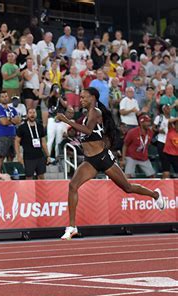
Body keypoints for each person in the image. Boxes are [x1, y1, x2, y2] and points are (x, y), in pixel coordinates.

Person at [55, 87, 164, 240]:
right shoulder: (86, 115)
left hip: (103, 158)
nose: (81, 100)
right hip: (90, 161)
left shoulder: (96, 112)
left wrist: (67, 120)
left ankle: (155, 194)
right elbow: (86, 134)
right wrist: (71, 132)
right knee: (72, 185)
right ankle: (72, 226)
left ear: (93, 98)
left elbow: (87, 131)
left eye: (84, 97)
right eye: (80, 98)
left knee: (127, 188)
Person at [15, 107, 51, 180]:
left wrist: (48, 155)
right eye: (30, 113)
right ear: (27, 115)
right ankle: (28, 191)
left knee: (41, 176)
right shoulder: (22, 127)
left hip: (40, 156)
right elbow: (16, 141)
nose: (32, 115)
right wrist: (18, 155)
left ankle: (42, 191)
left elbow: (43, 142)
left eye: (34, 113)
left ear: (36, 114)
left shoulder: (40, 127)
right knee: (29, 177)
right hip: (28, 157)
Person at [0, 91, 22, 171]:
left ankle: (8, 172)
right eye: (2, 96)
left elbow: (18, 121)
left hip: (13, 135)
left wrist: (10, 120)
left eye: (6, 96)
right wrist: (12, 120)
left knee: (11, 156)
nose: (5, 98)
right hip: (2, 135)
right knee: (1, 156)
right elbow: (3, 122)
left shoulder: (12, 109)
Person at [122, 114, 155, 178]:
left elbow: (147, 144)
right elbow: (125, 145)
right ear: (141, 122)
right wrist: (123, 159)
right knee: (127, 176)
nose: (149, 123)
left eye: (149, 122)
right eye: (147, 122)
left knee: (152, 176)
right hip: (131, 156)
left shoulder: (150, 132)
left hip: (143, 157)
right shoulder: (132, 132)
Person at [45, 84, 68, 159]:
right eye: (54, 88)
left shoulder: (62, 96)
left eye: (57, 88)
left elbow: (65, 105)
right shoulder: (50, 97)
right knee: (50, 140)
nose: (56, 90)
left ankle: (57, 157)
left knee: (59, 140)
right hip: (51, 119)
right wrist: (51, 95)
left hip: (61, 120)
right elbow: (46, 104)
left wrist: (59, 97)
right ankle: (47, 157)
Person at [153, 104, 171, 178]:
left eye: (169, 108)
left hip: (170, 142)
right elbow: (153, 128)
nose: (168, 109)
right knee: (165, 162)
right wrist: (159, 130)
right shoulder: (159, 117)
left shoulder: (172, 118)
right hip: (161, 141)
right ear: (163, 110)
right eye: (166, 108)